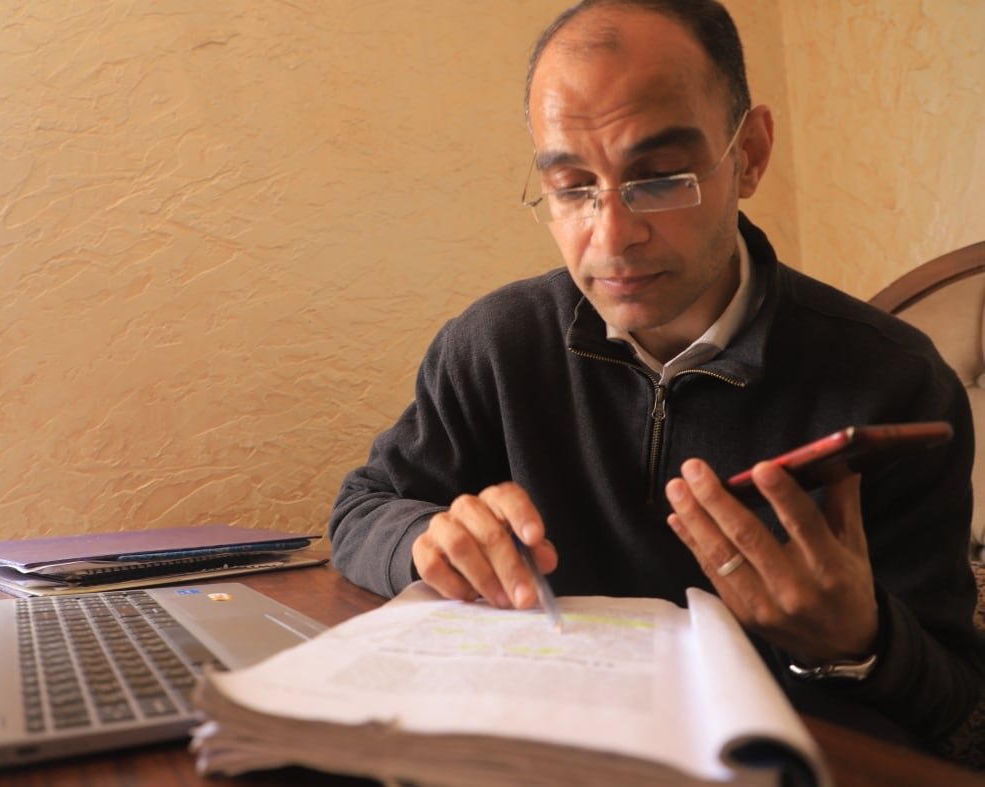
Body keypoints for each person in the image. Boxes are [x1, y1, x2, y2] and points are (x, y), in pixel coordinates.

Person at [328, 0, 982, 758]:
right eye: (573, 187)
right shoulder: (494, 347)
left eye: (661, 176)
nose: (612, 238)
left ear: (751, 155)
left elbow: (959, 701)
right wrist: (426, 539)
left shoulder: (894, 381)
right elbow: (361, 507)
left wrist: (856, 642)